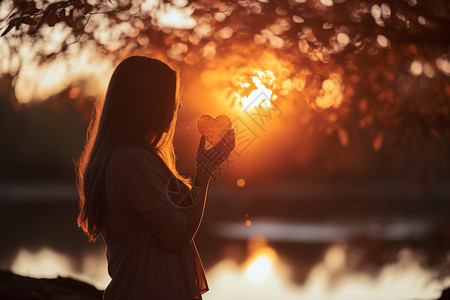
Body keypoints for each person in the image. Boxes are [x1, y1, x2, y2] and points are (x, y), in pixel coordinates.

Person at [76, 56, 235, 299]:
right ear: (148, 102)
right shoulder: (134, 162)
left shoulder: (128, 158)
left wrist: (204, 170)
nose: (177, 106)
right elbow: (178, 233)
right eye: (171, 98)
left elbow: (173, 220)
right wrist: (203, 177)